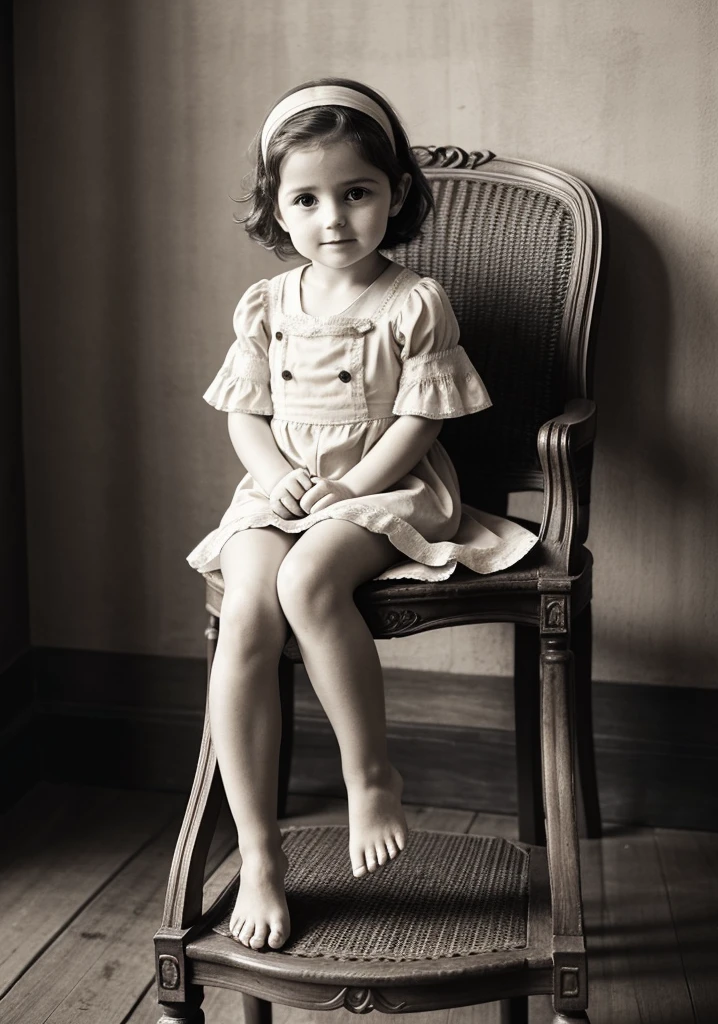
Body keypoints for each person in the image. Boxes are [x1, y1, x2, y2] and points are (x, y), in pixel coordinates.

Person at [187, 78, 537, 952]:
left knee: (309, 578)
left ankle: (369, 773)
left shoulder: (412, 301)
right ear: (276, 206)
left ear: (395, 196)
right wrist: (276, 483)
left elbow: (424, 417)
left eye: (356, 193)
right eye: (306, 198)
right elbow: (246, 413)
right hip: (285, 490)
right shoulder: (267, 305)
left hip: (387, 487)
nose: (333, 218)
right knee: (248, 607)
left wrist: (352, 490)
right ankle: (260, 854)